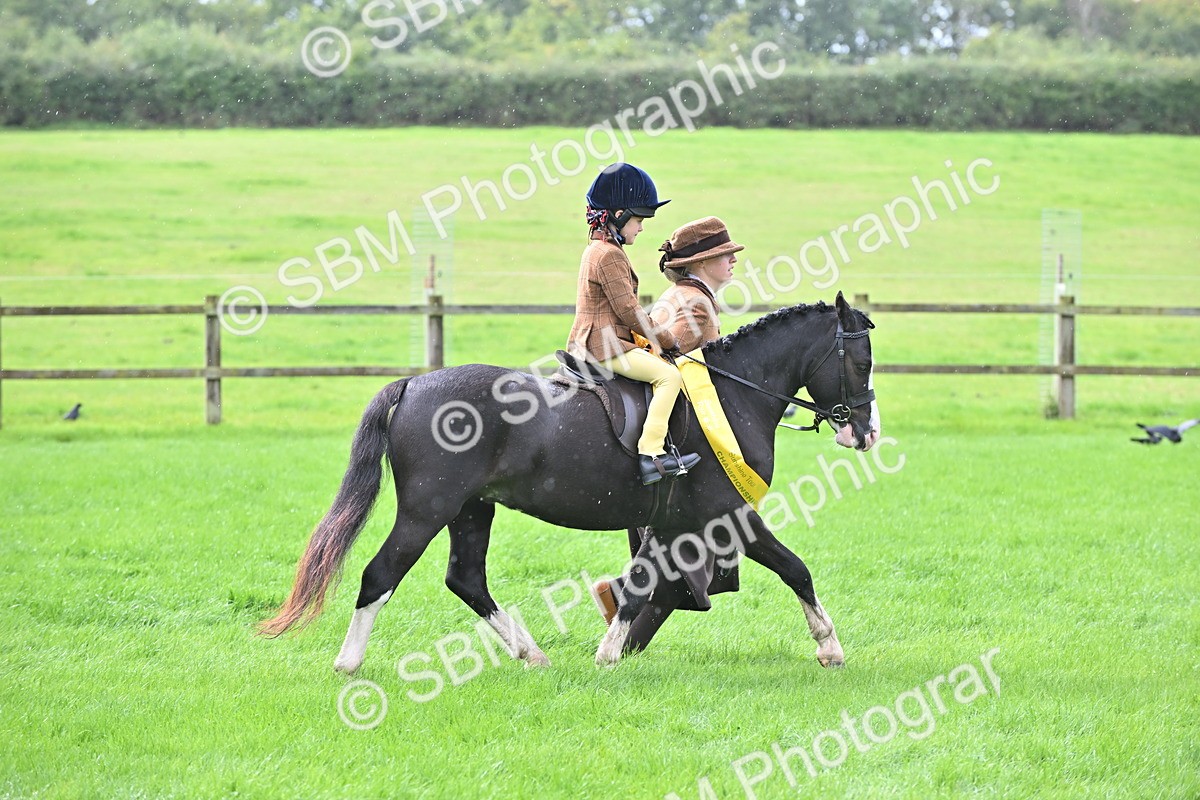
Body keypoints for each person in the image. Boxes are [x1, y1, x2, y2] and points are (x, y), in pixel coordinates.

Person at [591, 216, 746, 653]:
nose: (733, 259)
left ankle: (622, 623)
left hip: (670, 431)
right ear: (703, 261)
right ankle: (620, 610)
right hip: (684, 440)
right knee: (688, 561)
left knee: (684, 565)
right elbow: (677, 354)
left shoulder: (684, 294)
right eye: (725, 254)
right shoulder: (696, 303)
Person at [567, 163, 701, 485]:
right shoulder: (609, 255)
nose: (641, 228)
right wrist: (666, 339)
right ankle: (651, 454)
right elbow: (629, 311)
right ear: (618, 215)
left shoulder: (595, 249)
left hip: (594, 340)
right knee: (669, 376)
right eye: (638, 220)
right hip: (604, 345)